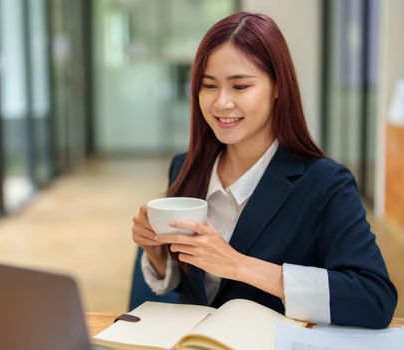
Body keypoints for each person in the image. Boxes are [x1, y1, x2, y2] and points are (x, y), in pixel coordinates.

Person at [131, 12, 397, 329]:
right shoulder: (186, 167)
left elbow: (374, 298)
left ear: (277, 88)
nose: (221, 103)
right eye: (209, 86)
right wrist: (156, 255)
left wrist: (239, 266)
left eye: (240, 86)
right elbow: (193, 290)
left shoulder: (325, 184)